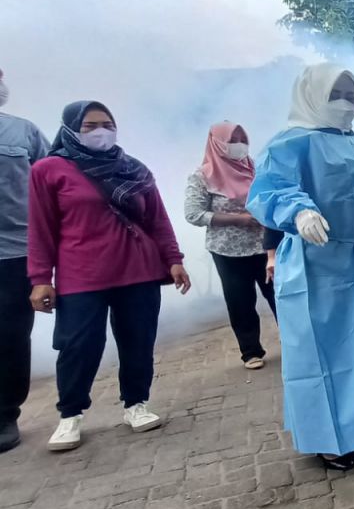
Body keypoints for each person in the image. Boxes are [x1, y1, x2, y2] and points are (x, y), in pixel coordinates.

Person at [247, 63, 354, 470]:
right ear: (312, 93)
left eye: (351, 95)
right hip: (316, 263)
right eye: (335, 93)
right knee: (320, 352)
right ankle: (327, 439)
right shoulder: (291, 144)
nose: (344, 102)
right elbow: (271, 188)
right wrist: (298, 211)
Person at [28, 100, 191, 452]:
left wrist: (173, 259)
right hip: (81, 275)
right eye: (90, 125)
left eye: (107, 123)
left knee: (138, 339)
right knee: (79, 345)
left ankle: (136, 404)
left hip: (139, 269)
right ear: (70, 128)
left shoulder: (133, 168)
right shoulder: (48, 170)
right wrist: (41, 278)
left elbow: (158, 220)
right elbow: (40, 229)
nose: (101, 131)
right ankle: (70, 415)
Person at [184, 122, 276, 370]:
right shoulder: (202, 176)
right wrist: (240, 219)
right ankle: (250, 351)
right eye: (231, 139)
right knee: (240, 301)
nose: (238, 144)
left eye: (241, 138)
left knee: (279, 295)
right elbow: (193, 214)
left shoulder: (256, 168)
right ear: (216, 142)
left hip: (266, 246)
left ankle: (295, 343)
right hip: (229, 251)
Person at [0, 68, 50, 453]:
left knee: (11, 336)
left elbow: (51, 186)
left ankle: (5, 415)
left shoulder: (23, 133)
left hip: (15, 253)